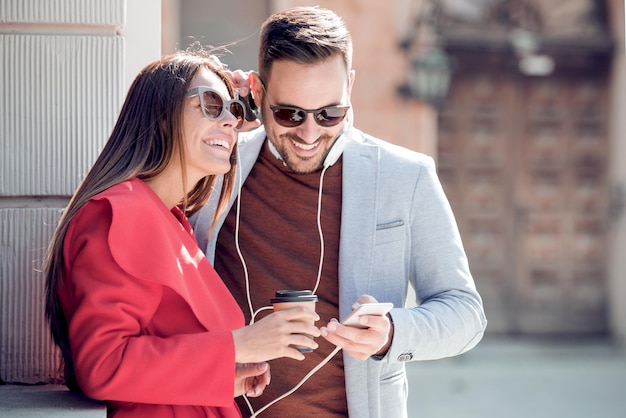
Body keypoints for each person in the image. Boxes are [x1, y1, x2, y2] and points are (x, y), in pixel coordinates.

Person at [191, 6, 488, 417]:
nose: (310, 133)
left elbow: (465, 314)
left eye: (330, 113)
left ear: (349, 85)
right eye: (289, 113)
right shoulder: (215, 166)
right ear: (258, 93)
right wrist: (214, 118)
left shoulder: (406, 176)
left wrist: (393, 332)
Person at [43, 50, 322, 418]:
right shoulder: (119, 212)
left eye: (234, 111)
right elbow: (104, 364)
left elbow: (159, 353)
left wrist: (223, 375)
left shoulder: (172, 222)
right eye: (210, 104)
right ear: (161, 116)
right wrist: (237, 346)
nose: (231, 122)